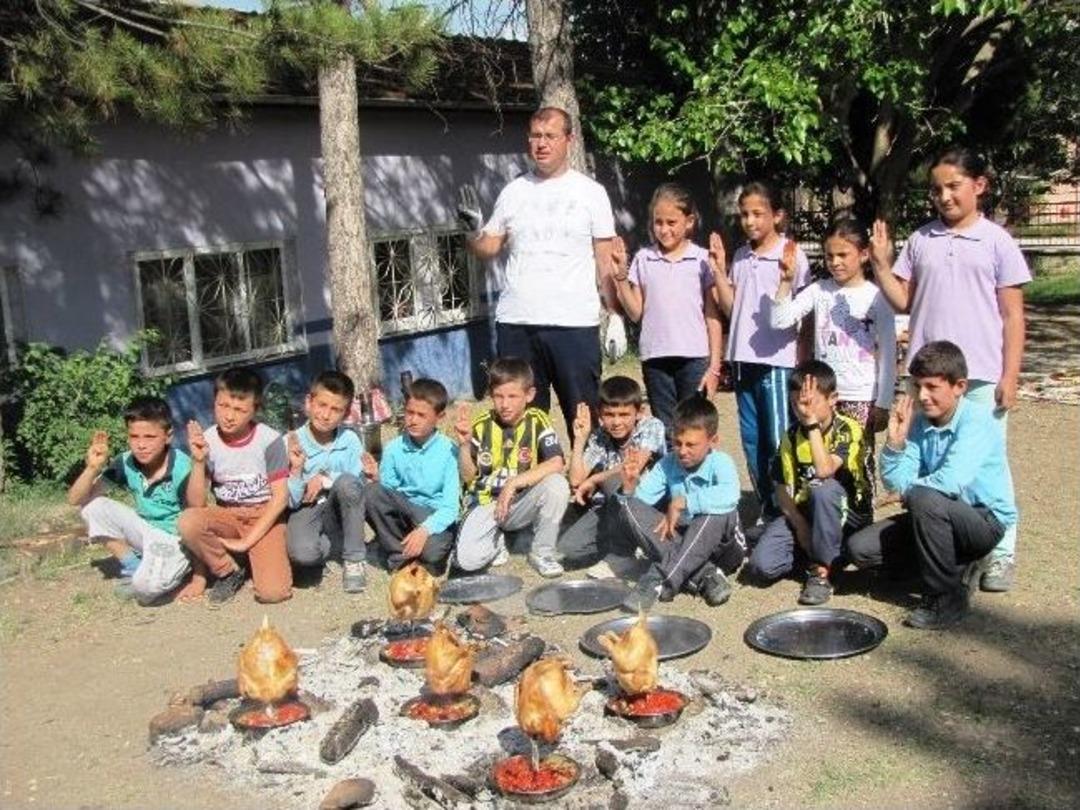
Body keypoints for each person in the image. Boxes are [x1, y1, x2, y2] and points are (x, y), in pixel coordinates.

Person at [870, 147, 1030, 592]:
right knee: (924, 456)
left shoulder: (998, 241)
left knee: (985, 467)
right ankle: (946, 548)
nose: (943, 196)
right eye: (936, 189)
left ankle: (1000, 552)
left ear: (979, 186)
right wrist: (882, 265)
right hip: (925, 374)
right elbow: (903, 300)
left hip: (978, 375)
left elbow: (1014, 315)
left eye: (953, 186)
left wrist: (1010, 375)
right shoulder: (921, 240)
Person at [458, 106, 616, 428]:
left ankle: (586, 477)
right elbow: (488, 247)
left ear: (568, 139)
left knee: (584, 418)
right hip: (518, 323)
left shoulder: (591, 193)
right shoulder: (514, 191)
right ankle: (530, 480)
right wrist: (472, 232)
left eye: (550, 136)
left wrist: (614, 314)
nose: (541, 144)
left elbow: (605, 259)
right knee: (521, 423)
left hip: (573, 323)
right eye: (535, 136)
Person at [846, 341, 1017, 629]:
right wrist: (895, 444)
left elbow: (949, 482)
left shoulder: (977, 421)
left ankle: (946, 599)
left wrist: (906, 492)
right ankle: (957, 567)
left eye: (931, 387)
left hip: (982, 521)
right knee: (860, 549)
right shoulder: (920, 423)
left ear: (959, 386)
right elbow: (897, 481)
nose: (922, 396)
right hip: (934, 515)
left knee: (925, 498)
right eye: (917, 386)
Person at [710, 181, 811, 519]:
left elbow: (806, 311)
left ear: (777, 215)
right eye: (744, 215)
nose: (750, 222)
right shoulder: (741, 256)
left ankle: (790, 511)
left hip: (778, 362)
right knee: (752, 440)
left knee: (777, 437)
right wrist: (719, 270)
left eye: (758, 214)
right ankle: (768, 508)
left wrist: (804, 358)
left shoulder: (791, 254)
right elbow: (730, 307)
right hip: (743, 360)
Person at [745, 361, 873, 605]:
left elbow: (825, 470)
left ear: (833, 398)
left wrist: (812, 424)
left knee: (822, 489)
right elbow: (781, 488)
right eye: (795, 404)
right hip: (809, 513)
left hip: (848, 514)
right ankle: (823, 552)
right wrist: (800, 524)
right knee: (762, 567)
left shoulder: (848, 429)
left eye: (809, 403)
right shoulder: (791, 436)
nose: (801, 410)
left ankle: (822, 571)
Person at [610, 183, 723, 445]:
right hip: (656, 358)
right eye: (658, 222)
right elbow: (636, 312)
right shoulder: (643, 259)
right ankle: (673, 484)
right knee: (666, 429)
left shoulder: (702, 259)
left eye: (672, 222)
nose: (664, 229)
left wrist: (715, 366)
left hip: (694, 358)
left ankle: (697, 484)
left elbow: (712, 317)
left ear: (689, 221)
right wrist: (620, 277)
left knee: (694, 427)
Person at [769, 218, 896, 439]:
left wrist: (884, 402)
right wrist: (786, 282)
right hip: (823, 395)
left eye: (843, 255)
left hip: (861, 396)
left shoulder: (877, 296)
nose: (835, 262)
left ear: (864, 254)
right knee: (820, 464)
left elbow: (888, 351)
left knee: (855, 465)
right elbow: (779, 320)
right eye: (829, 256)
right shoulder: (819, 290)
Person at [617, 396, 745, 610]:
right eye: (677, 443)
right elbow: (642, 506)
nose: (683, 451)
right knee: (629, 507)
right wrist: (629, 487)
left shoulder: (721, 462)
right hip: (681, 541)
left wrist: (684, 502)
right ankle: (705, 575)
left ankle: (660, 579)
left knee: (714, 514)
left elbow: (730, 495)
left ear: (713, 441)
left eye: (691, 445)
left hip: (723, 548)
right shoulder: (667, 464)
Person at [178, 368, 291, 604]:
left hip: (264, 515)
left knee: (273, 593)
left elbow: (280, 498)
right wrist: (198, 462)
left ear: (255, 410)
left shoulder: (269, 440)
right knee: (188, 520)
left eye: (240, 410)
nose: (229, 416)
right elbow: (197, 504)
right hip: (228, 515)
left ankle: (251, 554)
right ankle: (228, 569)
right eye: (223, 406)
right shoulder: (208, 440)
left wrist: (247, 542)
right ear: (214, 402)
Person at [66, 396, 193, 605]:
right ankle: (132, 566)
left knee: (144, 592)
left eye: (150, 437)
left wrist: (200, 575)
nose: (141, 445)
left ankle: (171, 571)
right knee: (91, 506)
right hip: (145, 531)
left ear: (168, 436)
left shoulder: (182, 466)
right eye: (134, 437)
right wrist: (92, 467)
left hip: (175, 540)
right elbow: (75, 499)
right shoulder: (126, 462)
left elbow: (196, 519)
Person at [453, 357, 569, 577]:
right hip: (486, 504)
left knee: (557, 484)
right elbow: (468, 477)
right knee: (467, 562)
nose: (505, 404)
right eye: (498, 396)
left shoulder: (538, 420)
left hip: (518, 503)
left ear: (529, 395)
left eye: (513, 396)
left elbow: (557, 462)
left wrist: (513, 483)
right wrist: (464, 445)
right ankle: (496, 541)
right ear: (491, 395)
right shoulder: (480, 425)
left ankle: (541, 552)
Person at [556, 375, 666, 577]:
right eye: (609, 414)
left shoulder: (652, 426)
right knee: (568, 548)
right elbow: (575, 480)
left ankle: (622, 555)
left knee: (613, 481)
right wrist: (580, 440)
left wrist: (595, 479)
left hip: (647, 506)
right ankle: (630, 545)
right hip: (611, 508)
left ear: (639, 413)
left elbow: (634, 466)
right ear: (600, 414)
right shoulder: (600, 436)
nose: (616, 422)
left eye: (624, 414)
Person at [284, 370, 368, 594]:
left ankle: (353, 559)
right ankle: (336, 545)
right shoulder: (292, 441)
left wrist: (324, 480)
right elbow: (290, 502)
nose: (326, 415)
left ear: (346, 413)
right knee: (302, 554)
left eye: (335, 409)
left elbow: (357, 486)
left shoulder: (349, 440)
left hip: (336, 509)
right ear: (309, 403)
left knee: (347, 482)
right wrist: (297, 471)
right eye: (321, 405)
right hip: (306, 509)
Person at [364, 377, 459, 575]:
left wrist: (425, 530)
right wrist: (376, 480)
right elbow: (389, 494)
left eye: (421, 415)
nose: (413, 420)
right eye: (409, 412)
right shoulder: (393, 448)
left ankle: (416, 547)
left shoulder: (449, 450)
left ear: (439, 417)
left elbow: (450, 507)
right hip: (406, 510)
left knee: (432, 553)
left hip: (434, 514)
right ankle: (399, 556)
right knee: (371, 492)